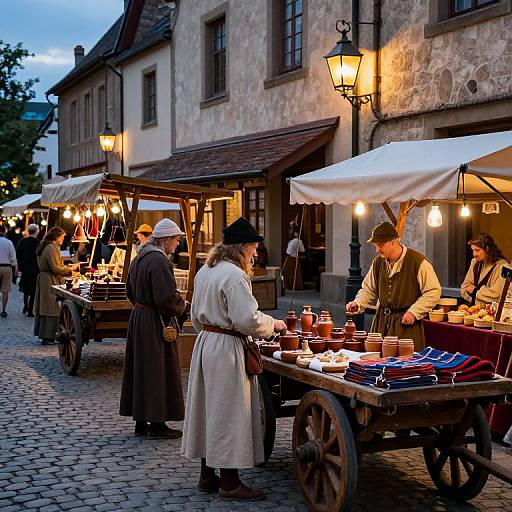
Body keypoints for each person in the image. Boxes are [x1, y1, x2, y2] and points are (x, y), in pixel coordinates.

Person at [181, 217, 287, 501]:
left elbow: (194, 316)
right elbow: (247, 319)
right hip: (227, 349)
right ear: (240, 248)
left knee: (208, 409)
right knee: (227, 411)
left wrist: (211, 333)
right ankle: (229, 481)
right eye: (253, 248)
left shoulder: (206, 270)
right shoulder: (235, 276)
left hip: (206, 344)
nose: (255, 254)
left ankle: (207, 475)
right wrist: (273, 325)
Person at [119, 218, 188, 439]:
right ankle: (157, 424)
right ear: (166, 240)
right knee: (158, 370)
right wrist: (184, 305)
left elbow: (129, 291)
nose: (178, 244)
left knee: (141, 369)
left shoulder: (139, 257)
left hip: (140, 317)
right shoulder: (159, 262)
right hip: (153, 321)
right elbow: (165, 298)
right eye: (176, 240)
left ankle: (141, 421)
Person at [346, 221, 441, 350]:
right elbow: (369, 289)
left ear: (394, 242)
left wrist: (414, 312)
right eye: (376, 245)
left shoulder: (418, 262)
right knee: (376, 362)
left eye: (381, 245)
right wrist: (358, 303)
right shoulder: (378, 262)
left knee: (404, 365)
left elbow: (433, 291)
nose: (377, 249)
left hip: (406, 326)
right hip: (381, 323)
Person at [34, 227, 80, 345]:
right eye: (62, 237)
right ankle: (49, 335)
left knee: (46, 307)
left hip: (45, 278)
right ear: (57, 237)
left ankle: (45, 335)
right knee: (52, 307)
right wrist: (71, 269)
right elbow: (56, 268)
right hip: (50, 280)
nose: (63, 240)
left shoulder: (47, 246)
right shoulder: (51, 248)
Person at [461, 233, 509, 306]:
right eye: (473, 250)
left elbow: (497, 295)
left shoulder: (502, 266)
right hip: (474, 309)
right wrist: (479, 299)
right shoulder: (475, 262)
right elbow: (464, 287)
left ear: (487, 249)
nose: (474, 254)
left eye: (477, 250)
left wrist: (475, 292)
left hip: (492, 312)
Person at [16, 224, 40, 317]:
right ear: (36, 231)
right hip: (35, 268)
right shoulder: (38, 242)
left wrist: (20, 266)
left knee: (26, 289)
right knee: (33, 290)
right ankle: (30, 310)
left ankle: (25, 305)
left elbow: (18, 254)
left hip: (25, 268)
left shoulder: (22, 241)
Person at [0, 225, 17, 317]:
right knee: (5, 291)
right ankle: (3, 310)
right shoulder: (9, 242)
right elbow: (13, 257)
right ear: (5, 232)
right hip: (6, 267)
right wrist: (14, 268)